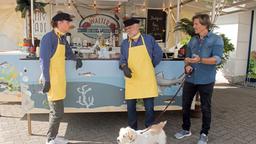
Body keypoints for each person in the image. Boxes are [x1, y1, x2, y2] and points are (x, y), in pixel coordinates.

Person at [174, 14, 224, 144]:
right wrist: (188, 65)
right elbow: (188, 58)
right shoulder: (193, 40)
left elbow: (217, 59)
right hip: (191, 79)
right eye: (194, 24)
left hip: (206, 80)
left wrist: (201, 60)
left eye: (196, 24)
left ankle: (204, 133)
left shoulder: (216, 39)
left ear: (204, 25)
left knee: (206, 107)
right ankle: (186, 129)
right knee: (185, 105)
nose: (194, 26)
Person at [40, 12, 82, 144]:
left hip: (60, 79)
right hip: (52, 80)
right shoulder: (48, 38)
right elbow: (43, 61)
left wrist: (76, 58)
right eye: (67, 22)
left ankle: (53, 136)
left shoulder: (62, 38)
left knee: (56, 111)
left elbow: (68, 52)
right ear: (59, 23)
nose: (69, 24)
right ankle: (50, 140)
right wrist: (47, 80)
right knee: (57, 112)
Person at [119, 18, 163, 130]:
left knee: (149, 108)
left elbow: (159, 54)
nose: (128, 30)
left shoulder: (149, 39)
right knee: (131, 108)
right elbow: (122, 59)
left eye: (131, 27)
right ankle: (133, 131)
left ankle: (149, 131)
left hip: (146, 78)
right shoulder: (124, 43)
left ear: (138, 27)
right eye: (127, 28)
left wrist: (150, 65)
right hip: (132, 79)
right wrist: (124, 67)